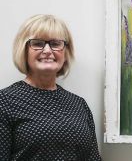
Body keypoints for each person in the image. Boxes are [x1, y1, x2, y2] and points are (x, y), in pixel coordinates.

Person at [0, 14, 102, 160]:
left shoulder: (79, 104)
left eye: (55, 44)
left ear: (66, 53)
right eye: (37, 43)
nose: (47, 50)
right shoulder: (5, 101)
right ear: (24, 50)